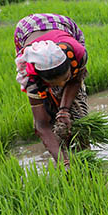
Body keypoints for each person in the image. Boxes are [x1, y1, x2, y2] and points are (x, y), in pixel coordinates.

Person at [14, 13, 89, 167]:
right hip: (25, 29)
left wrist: (64, 110)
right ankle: (61, 147)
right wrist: (64, 163)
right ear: (41, 78)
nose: (62, 85)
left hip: (62, 24)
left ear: (70, 66)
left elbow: (75, 80)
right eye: (55, 83)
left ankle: (83, 149)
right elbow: (41, 126)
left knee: (78, 109)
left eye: (65, 78)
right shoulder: (30, 76)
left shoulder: (77, 52)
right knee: (48, 106)